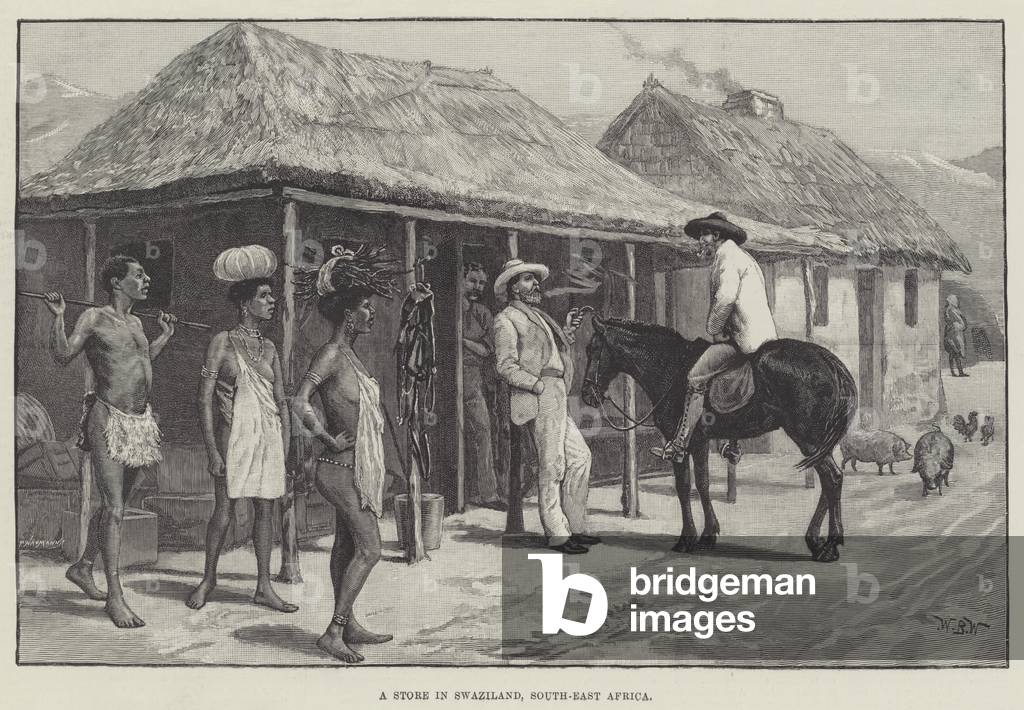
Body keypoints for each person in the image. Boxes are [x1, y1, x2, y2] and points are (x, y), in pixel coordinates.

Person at [44, 255, 178, 628]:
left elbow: (139, 360)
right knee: (115, 509)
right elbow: (62, 355)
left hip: (140, 423)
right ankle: (115, 597)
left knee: (116, 506)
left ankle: (83, 566)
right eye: (139, 275)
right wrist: (58, 316)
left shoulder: (136, 322)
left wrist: (164, 338)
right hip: (107, 419)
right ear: (117, 282)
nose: (147, 280)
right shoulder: (93, 318)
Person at [293, 245, 398, 663]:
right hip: (338, 467)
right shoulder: (332, 354)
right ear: (348, 314)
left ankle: (349, 623)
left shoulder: (353, 356)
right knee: (370, 548)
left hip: (356, 468)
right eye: (366, 307)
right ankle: (334, 631)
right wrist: (325, 436)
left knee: (346, 545)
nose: (372, 313)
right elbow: (299, 400)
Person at [186, 245, 297, 613]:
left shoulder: (270, 349)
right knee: (225, 510)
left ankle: (263, 586)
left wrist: (285, 446)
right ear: (245, 304)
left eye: (271, 295)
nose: (272, 301)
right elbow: (204, 399)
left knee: (266, 509)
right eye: (264, 296)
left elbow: (280, 402)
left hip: (268, 438)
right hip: (232, 436)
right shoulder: (222, 342)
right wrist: (212, 451)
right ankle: (208, 579)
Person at [652, 212, 778, 463]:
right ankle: (733, 443)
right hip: (762, 338)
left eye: (704, 236)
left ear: (717, 235)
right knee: (729, 382)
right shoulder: (743, 257)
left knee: (695, 377)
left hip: (746, 341)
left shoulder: (727, 258)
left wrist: (713, 328)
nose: (700, 241)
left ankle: (679, 445)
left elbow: (726, 299)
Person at [492, 258, 596, 555]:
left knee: (581, 457)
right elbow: (505, 366)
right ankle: (557, 534)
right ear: (513, 287)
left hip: (556, 391)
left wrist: (567, 331)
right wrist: (536, 385)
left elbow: (551, 352)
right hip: (539, 394)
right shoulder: (506, 319)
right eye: (527, 279)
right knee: (553, 464)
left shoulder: (538, 316)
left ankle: (575, 526)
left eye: (534, 279)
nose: (535, 283)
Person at [461, 262, 504, 509]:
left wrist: (462, 341)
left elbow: (487, 350)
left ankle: (487, 494)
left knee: (484, 431)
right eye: (472, 281)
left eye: (482, 283)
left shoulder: (483, 313)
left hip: (473, 380)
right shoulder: (447, 309)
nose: (477, 287)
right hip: (445, 380)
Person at [944, 294, 969, 377]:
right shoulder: (949, 310)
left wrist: (960, 326)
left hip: (956, 334)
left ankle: (958, 372)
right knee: (954, 352)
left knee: (955, 353)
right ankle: (955, 372)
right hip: (951, 334)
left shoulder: (956, 310)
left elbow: (962, 321)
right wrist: (955, 325)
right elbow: (949, 321)